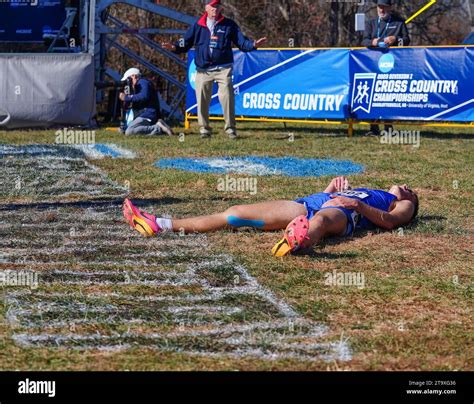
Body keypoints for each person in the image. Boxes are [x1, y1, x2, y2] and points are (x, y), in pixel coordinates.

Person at [122, 176, 419, 257]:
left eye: (412, 191)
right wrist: (328, 189)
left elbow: (391, 223)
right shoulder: (373, 189)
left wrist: (357, 207)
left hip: (342, 213)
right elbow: (326, 197)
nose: (407, 187)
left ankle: (297, 242)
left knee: (320, 223)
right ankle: (160, 224)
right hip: (311, 202)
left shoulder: (398, 203)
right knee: (236, 215)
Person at [162, 0, 267, 139]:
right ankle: (204, 129)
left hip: (223, 69)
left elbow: (242, 42)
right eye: (212, 6)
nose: (215, 9)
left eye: (217, 6)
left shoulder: (229, 24)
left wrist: (253, 44)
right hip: (203, 69)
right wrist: (174, 47)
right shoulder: (197, 25)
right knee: (202, 100)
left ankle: (230, 129)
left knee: (227, 97)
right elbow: (185, 42)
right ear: (206, 7)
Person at [362, 0, 411, 137]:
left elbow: (406, 41)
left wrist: (395, 38)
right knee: (373, 95)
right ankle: (373, 127)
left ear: (390, 8)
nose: (381, 10)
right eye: (379, 7)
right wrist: (372, 42)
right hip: (373, 64)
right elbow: (363, 41)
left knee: (388, 96)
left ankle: (388, 127)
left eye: (384, 7)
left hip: (392, 64)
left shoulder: (399, 22)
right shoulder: (371, 23)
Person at [119, 68, 174, 136]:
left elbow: (144, 96)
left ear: (133, 76)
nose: (127, 83)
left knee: (129, 131)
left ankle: (158, 128)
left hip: (148, 114)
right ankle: (156, 125)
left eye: (128, 80)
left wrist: (126, 97)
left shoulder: (143, 82)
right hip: (142, 114)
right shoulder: (136, 87)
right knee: (125, 129)